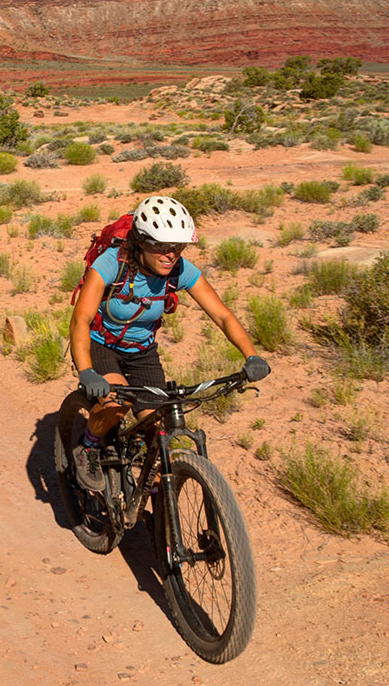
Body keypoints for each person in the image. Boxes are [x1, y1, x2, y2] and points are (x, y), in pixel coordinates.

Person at [68, 195, 270, 491]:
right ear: (140, 242)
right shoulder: (111, 264)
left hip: (142, 351)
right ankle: (88, 447)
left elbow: (223, 315)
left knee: (157, 426)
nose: (170, 255)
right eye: (160, 246)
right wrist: (86, 371)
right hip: (102, 343)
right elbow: (80, 320)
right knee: (115, 404)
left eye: (177, 247)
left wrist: (251, 355)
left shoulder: (180, 271)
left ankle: (159, 502)